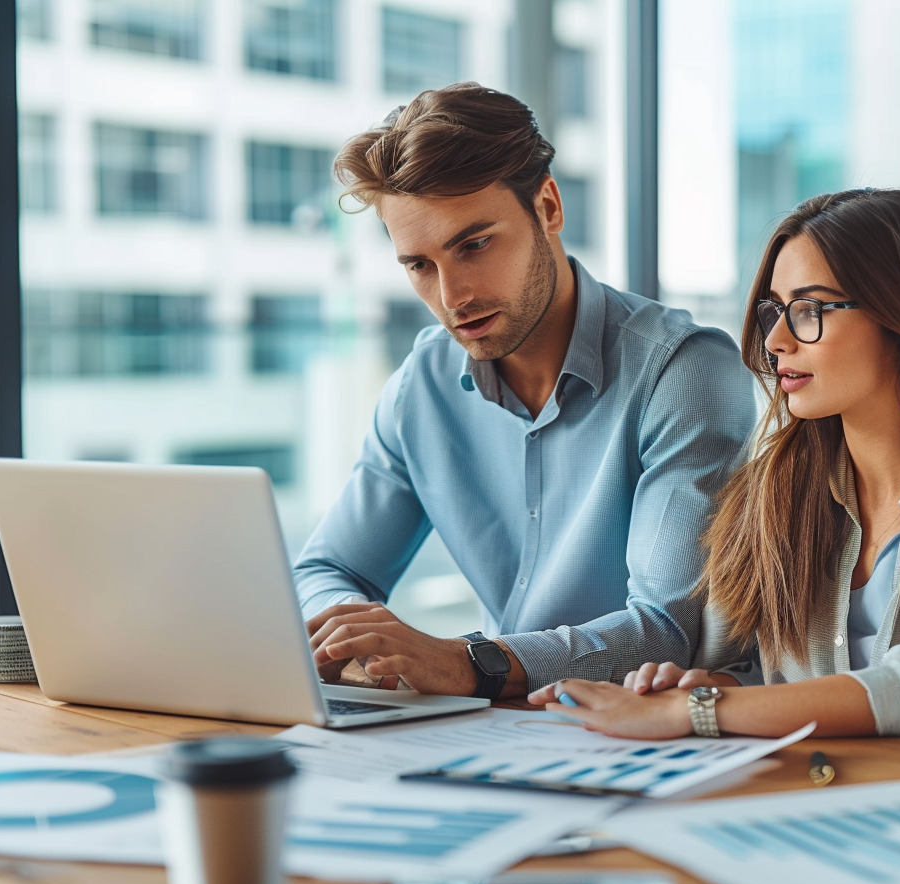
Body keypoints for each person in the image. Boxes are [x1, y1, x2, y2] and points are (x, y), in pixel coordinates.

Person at [532, 188, 900, 755]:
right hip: (822, 796)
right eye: (774, 310)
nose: (775, 340)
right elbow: (749, 676)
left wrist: (696, 711)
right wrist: (710, 687)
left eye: (810, 309)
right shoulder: (774, 487)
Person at [295, 83, 755, 699]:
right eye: (420, 266)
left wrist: (468, 663)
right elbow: (329, 569)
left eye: (475, 245)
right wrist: (353, 639)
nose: (453, 297)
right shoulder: (422, 388)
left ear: (548, 206)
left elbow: (666, 629)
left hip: (637, 734)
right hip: (491, 731)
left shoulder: (683, 369)